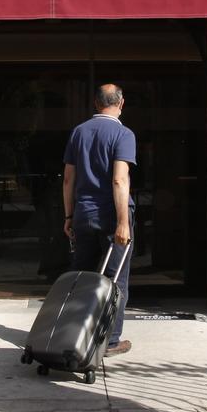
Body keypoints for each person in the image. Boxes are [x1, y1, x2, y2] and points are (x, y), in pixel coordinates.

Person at [62, 83, 136, 357]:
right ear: (121, 103)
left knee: (81, 278)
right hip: (111, 216)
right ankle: (110, 340)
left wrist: (69, 214)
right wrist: (122, 222)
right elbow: (119, 179)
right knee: (115, 280)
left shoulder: (79, 132)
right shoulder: (123, 134)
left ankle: (74, 334)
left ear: (96, 103)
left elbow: (69, 178)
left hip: (83, 214)